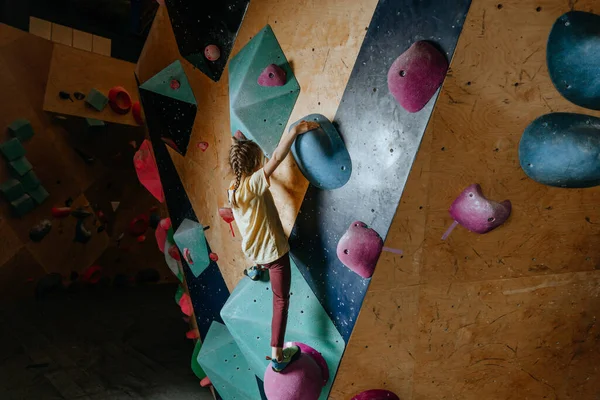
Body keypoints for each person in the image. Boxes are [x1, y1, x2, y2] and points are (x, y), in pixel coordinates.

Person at [227, 121, 319, 372]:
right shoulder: (256, 182)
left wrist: (240, 143)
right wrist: (293, 132)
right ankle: (278, 356)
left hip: (253, 251)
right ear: (255, 163)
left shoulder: (232, 189)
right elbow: (278, 156)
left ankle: (256, 269)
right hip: (273, 253)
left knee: (257, 256)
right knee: (280, 301)